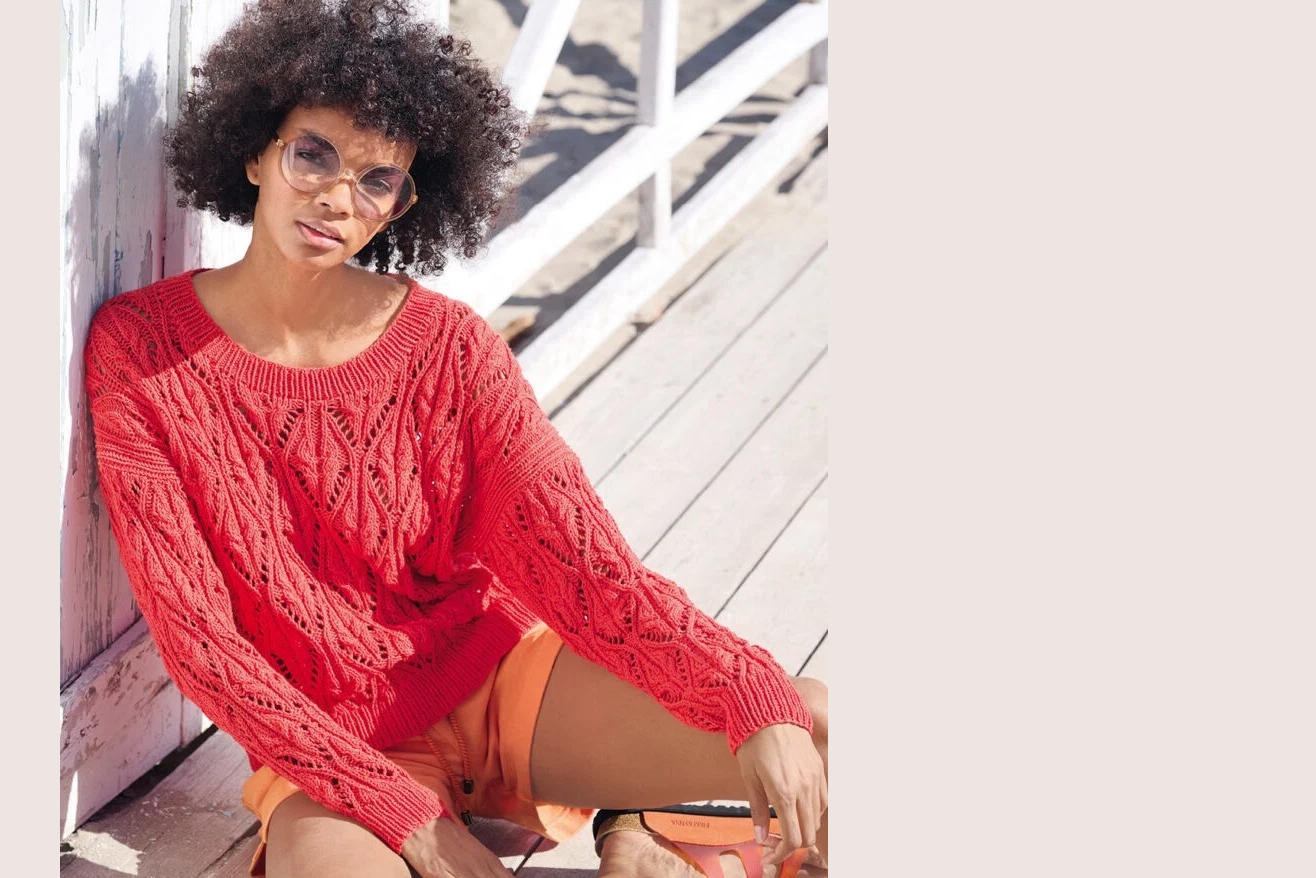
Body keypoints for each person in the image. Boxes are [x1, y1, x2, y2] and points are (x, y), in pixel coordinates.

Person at [82, 2, 829, 876]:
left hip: (502, 686)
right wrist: (410, 820)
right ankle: (646, 824)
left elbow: (594, 574)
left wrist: (749, 694)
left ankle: (642, 819)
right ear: (255, 152)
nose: (336, 197)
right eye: (311, 154)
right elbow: (203, 648)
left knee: (812, 721)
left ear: (402, 205)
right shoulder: (141, 349)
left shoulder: (450, 347)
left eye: (377, 180)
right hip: (339, 749)